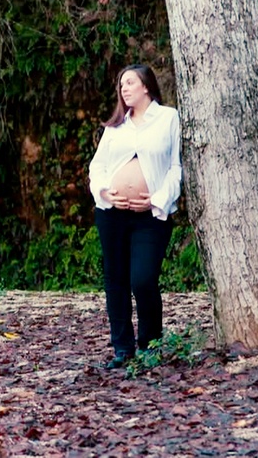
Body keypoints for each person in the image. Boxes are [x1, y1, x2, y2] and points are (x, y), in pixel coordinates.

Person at [88, 64, 182, 369]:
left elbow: (175, 168)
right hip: (112, 214)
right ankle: (122, 349)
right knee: (115, 280)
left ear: (146, 86)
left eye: (129, 82)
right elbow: (97, 167)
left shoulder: (168, 118)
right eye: (121, 85)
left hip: (150, 215)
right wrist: (104, 192)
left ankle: (150, 345)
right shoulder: (116, 125)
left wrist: (157, 199)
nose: (124, 88)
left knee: (143, 279)